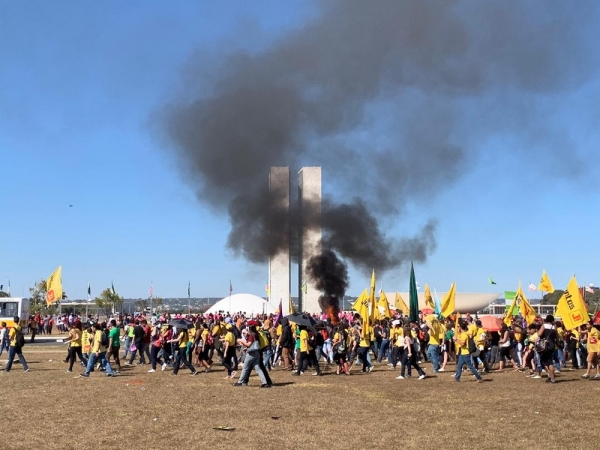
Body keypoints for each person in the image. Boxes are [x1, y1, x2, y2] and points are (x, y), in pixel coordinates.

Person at [233, 320, 270, 387]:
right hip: (257, 353)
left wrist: (241, 340)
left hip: (251, 354)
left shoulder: (251, 335)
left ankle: (240, 382)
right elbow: (254, 345)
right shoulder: (256, 334)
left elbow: (249, 344)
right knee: (258, 369)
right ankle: (265, 382)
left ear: (249, 327)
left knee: (245, 368)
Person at [537, 315, 557, 384]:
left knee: (548, 362)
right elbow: (556, 336)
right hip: (552, 345)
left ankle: (552, 378)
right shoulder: (554, 327)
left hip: (545, 345)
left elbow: (539, 334)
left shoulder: (544, 326)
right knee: (549, 361)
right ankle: (550, 376)